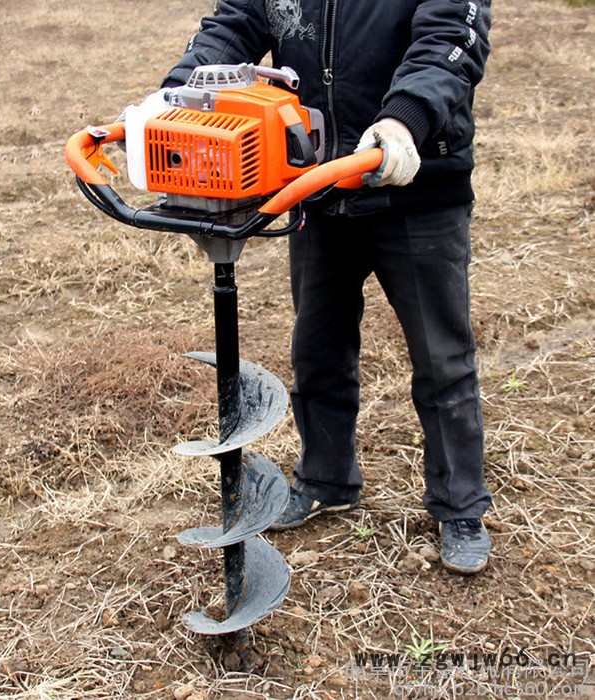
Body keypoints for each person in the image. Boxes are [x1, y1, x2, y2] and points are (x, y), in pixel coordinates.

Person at [161, 0, 494, 575]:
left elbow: (449, 41)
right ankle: (326, 476)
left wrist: (403, 118)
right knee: (318, 346)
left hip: (414, 183)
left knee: (442, 359)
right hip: (316, 184)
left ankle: (459, 505)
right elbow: (234, 25)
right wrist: (173, 96)